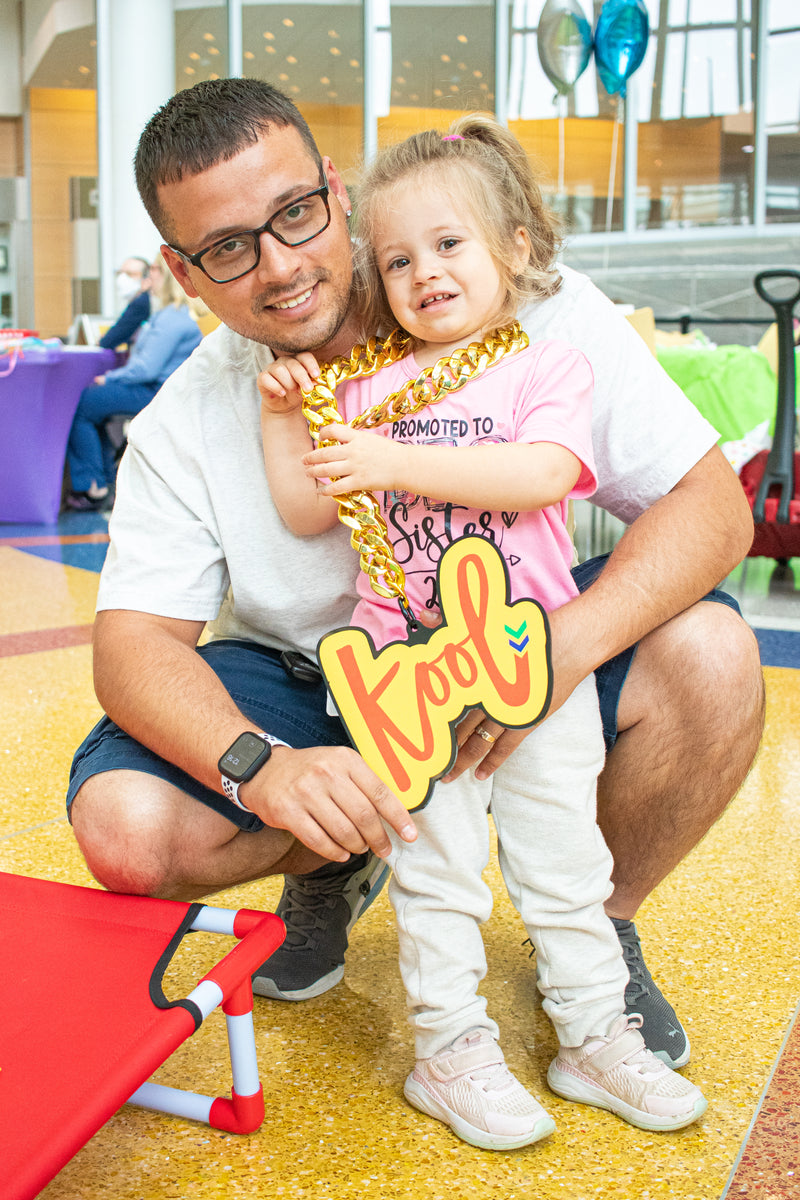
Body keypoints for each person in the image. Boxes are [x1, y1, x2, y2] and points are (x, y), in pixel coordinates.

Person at [65, 79, 760, 1095]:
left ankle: (597, 938)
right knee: (127, 828)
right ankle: (331, 862)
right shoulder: (193, 414)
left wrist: (555, 653)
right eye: (227, 248)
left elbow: (711, 509)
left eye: (295, 214)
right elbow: (131, 648)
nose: (282, 266)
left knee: (711, 652)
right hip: (322, 677)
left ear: (333, 189)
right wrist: (263, 770)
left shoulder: (518, 303)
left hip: (517, 625)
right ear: (182, 273)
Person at [257, 113, 707, 1148]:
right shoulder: (362, 384)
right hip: (405, 680)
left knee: (563, 861)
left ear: (513, 246)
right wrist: (295, 420)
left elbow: (540, 474)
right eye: (398, 259)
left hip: (520, 665)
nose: (424, 273)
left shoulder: (541, 369)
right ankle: (448, 1048)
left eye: (448, 245)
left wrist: (388, 460)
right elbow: (304, 509)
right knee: (436, 868)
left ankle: (592, 1033)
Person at [65, 254, 202, 510]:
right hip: (157, 391)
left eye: (154, 270)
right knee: (94, 407)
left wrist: (109, 377)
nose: (150, 276)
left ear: (168, 277)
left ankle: (95, 485)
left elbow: (146, 370)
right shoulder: (167, 316)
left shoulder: (171, 319)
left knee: (83, 404)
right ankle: (101, 482)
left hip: (155, 393)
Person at [99, 256, 152, 351]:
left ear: (146, 279)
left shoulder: (141, 303)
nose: (122, 278)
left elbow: (109, 340)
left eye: (130, 274)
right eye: (120, 273)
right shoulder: (139, 300)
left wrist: (104, 339)